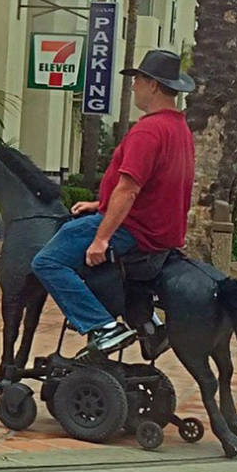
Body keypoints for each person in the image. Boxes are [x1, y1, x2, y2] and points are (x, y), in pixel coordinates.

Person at [32, 49, 195, 357]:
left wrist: (102, 238)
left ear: (153, 85)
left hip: (135, 230)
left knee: (47, 261)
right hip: (160, 231)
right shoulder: (179, 128)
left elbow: (129, 188)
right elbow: (153, 187)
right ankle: (150, 323)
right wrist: (101, 203)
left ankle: (104, 328)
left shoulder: (148, 130)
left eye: (137, 80)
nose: (133, 87)